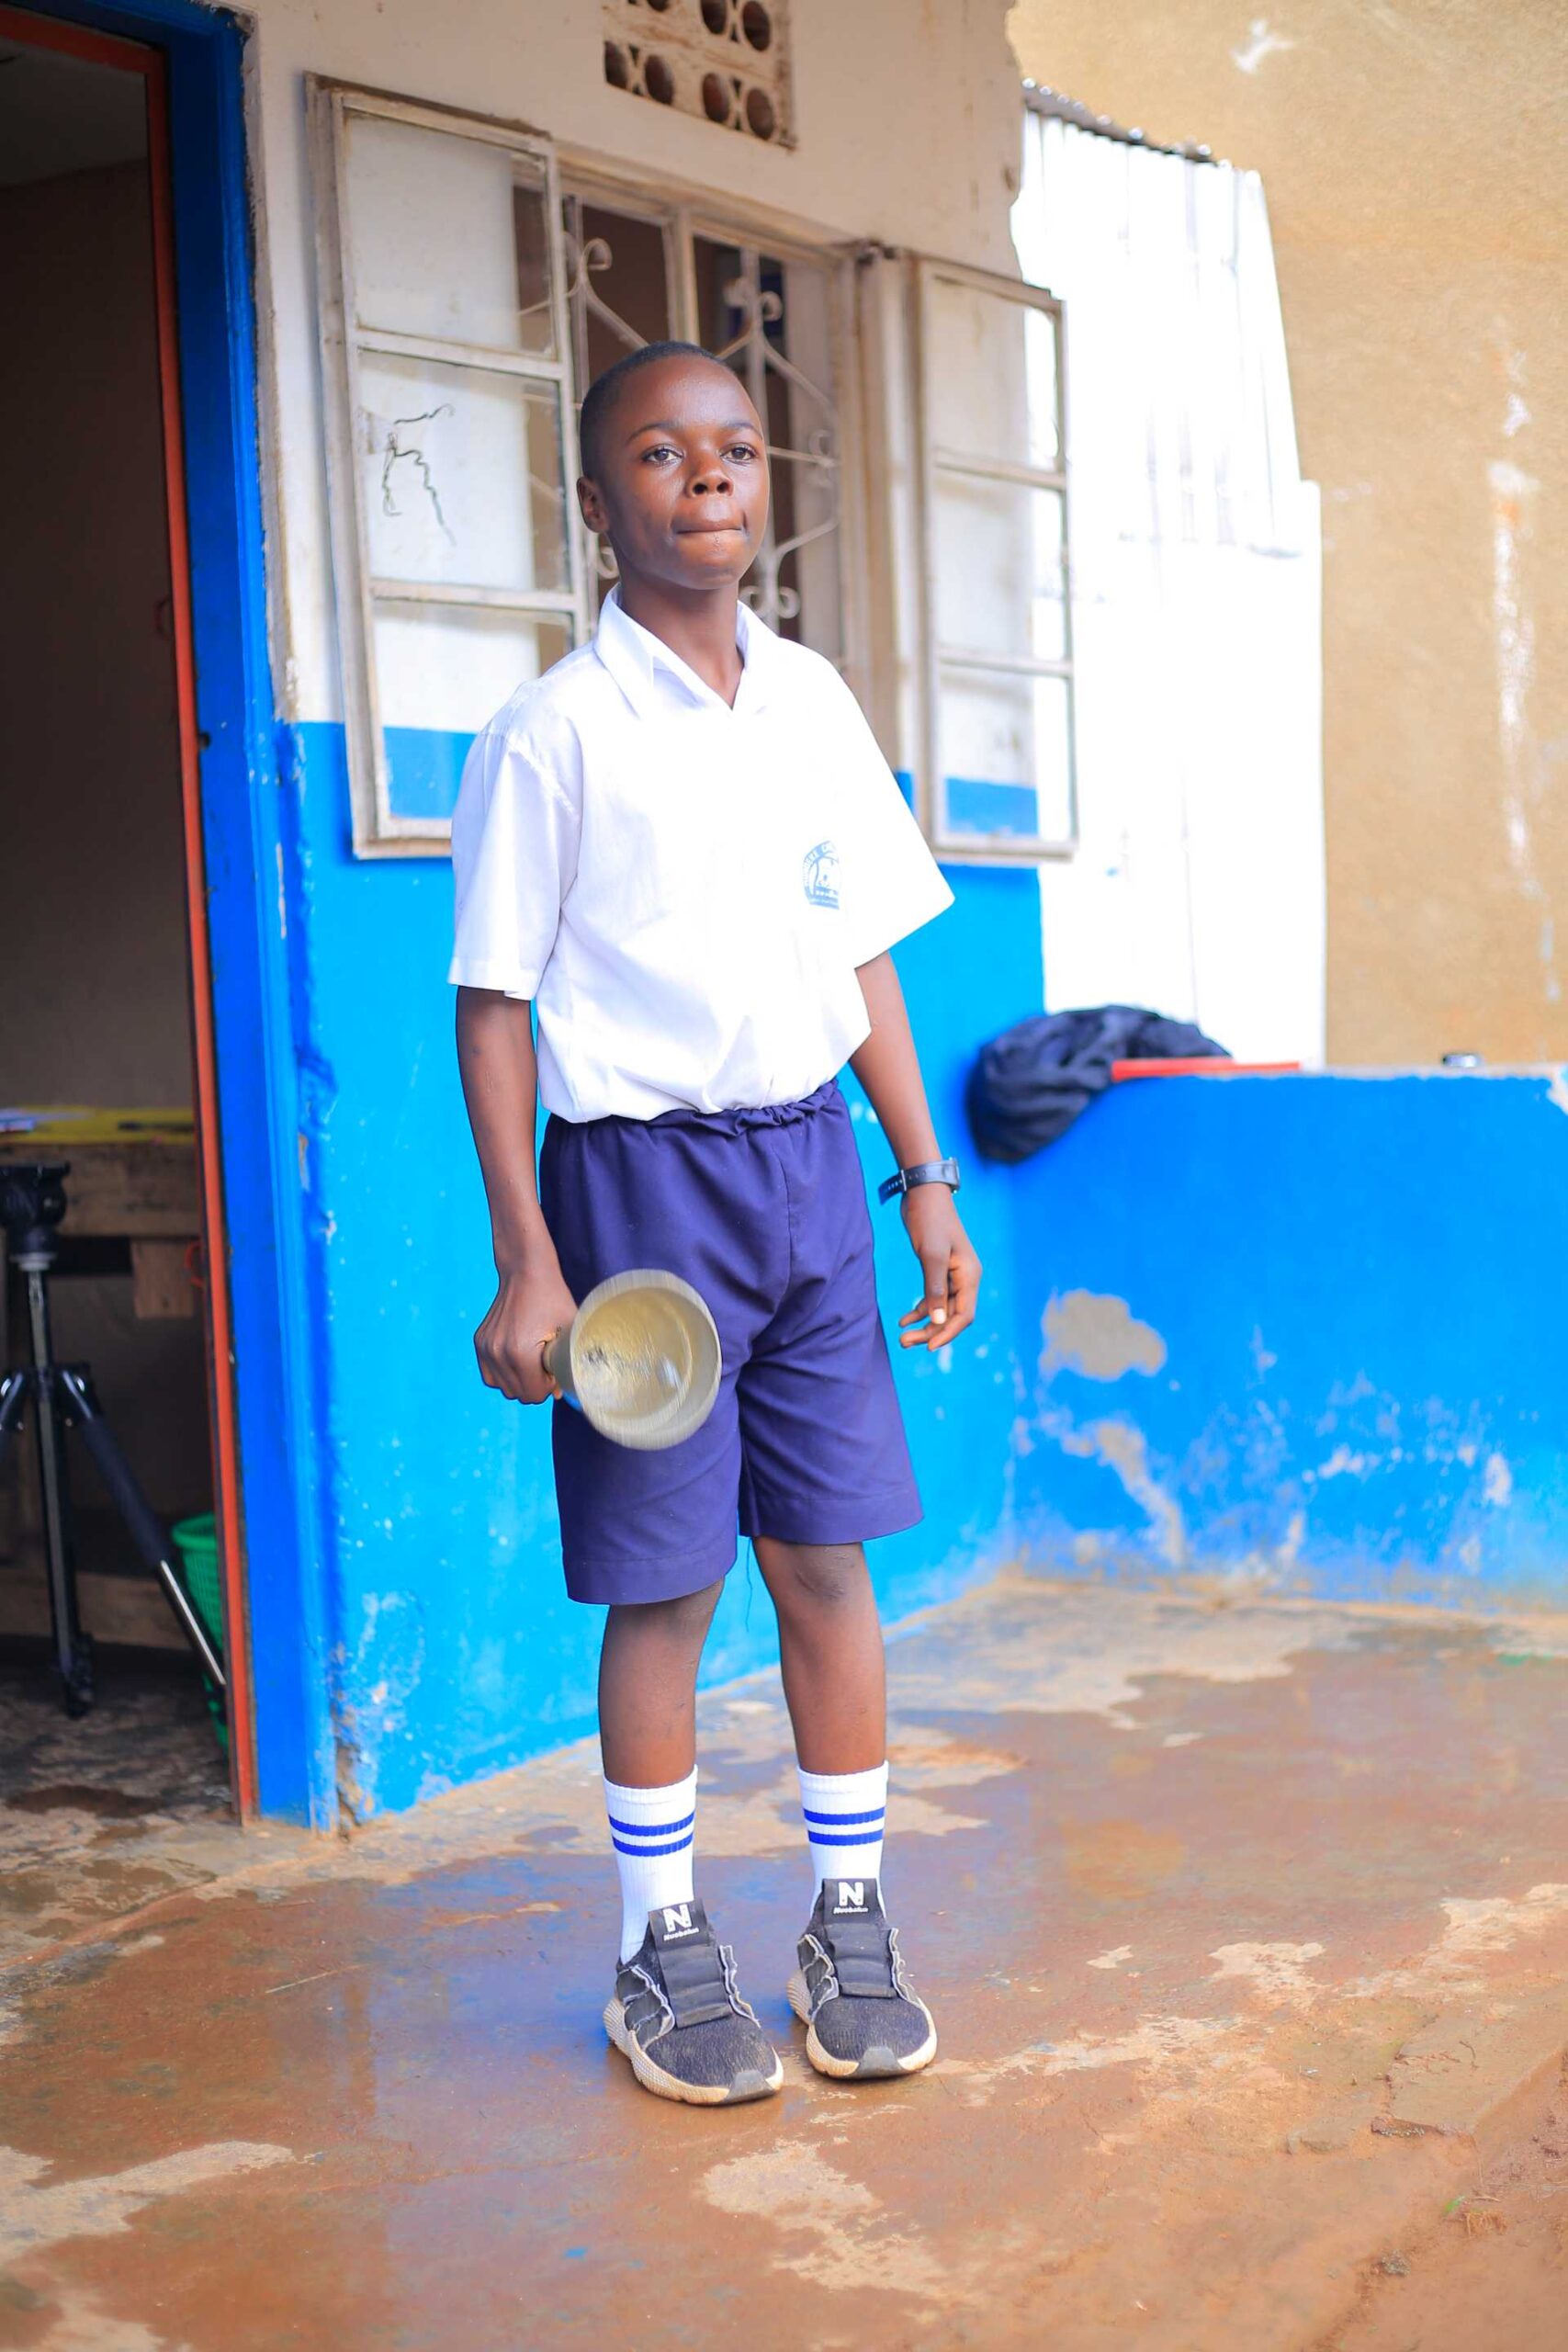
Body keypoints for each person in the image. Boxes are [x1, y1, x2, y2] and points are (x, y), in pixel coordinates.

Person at [450, 340, 981, 2108]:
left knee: (826, 1558)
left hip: (813, 1175)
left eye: (736, 450)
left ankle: (849, 1919)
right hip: (638, 1197)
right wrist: (530, 1255)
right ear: (596, 502)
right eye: (663, 454)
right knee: (667, 1582)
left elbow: (860, 957)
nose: (707, 479)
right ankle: (657, 1944)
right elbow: (494, 1006)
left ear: (766, 484)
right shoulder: (552, 733)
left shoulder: (812, 702)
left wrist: (921, 1178)